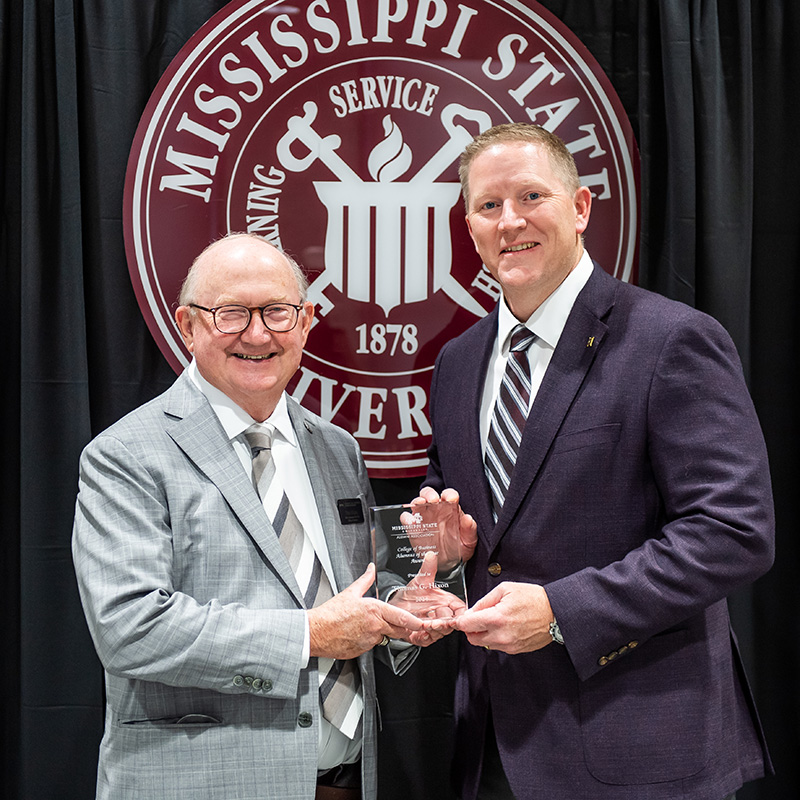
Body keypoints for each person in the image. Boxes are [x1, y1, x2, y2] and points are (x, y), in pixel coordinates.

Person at [419, 123, 775, 800]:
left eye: (531, 196)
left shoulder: (671, 340)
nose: (510, 220)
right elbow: (466, 504)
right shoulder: (459, 361)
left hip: (640, 751)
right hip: (493, 747)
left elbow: (734, 532)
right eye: (488, 206)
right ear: (469, 227)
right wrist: (446, 538)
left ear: (580, 207)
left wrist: (560, 610)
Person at [72, 233, 429, 800]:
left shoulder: (336, 449)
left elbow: (349, 596)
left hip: (344, 783)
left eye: (278, 312)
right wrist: (309, 634)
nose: (258, 334)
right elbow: (130, 627)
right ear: (188, 325)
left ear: (307, 321)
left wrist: (414, 601)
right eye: (231, 314)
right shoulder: (126, 455)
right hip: (199, 784)